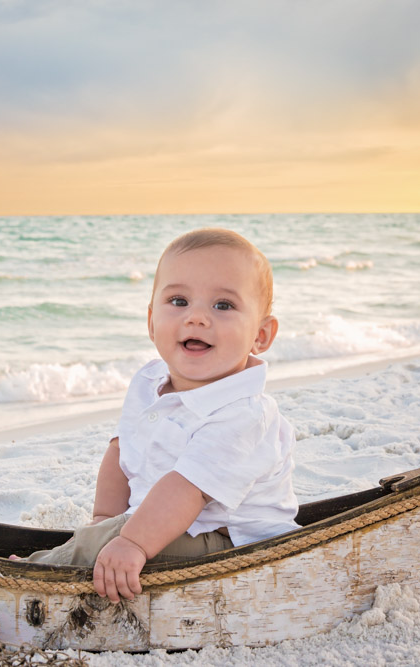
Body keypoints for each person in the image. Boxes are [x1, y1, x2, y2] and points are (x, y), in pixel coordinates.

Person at [17, 228, 299, 603]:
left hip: (230, 545)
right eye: (179, 300)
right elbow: (122, 450)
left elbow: (188, 489)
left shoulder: (244, 414)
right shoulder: (149, 381)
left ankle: (32, 576)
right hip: (165, 521)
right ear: (151, 322)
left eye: (223, 306)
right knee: (104, 535)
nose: (197, 318)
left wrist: (131, 541)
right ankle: (84, 548)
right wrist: (105, 517)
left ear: (261, 335)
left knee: (109, 542)